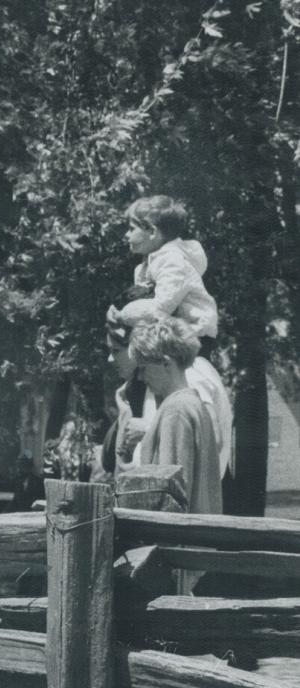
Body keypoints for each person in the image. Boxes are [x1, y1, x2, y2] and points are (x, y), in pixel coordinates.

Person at [129, 318, 222, 516]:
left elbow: (171, 498)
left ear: (165, 362)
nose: (140, 377)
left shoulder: (176, 411)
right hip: (201, 538)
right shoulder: (195, 405)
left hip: (177, 542)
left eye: (143, 368)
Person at [114, 195, 218, 349]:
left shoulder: (173, 261)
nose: (127, 235)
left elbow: (161, 307)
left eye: (131, 229)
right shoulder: (148, 264)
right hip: (173, 331)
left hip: (195, 335)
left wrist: (122, 315)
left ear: (152, 232)